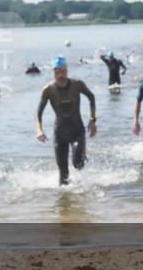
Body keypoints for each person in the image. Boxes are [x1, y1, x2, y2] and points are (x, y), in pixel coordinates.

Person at [35, 56, 97, 185]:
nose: (60, 75)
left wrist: (92, 120)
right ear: (53, 72)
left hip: (77, 131)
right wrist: (39, 130)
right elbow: (39, 113)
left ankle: (81, 157)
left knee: (78, 164)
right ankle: (63, 197)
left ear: (67, 70)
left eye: (63, 71)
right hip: (60, 133)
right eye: (57, 72)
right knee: (63, 173)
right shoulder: (48, 90)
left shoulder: (77, 84)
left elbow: (91, 97)